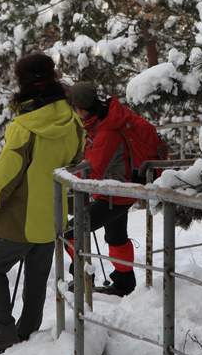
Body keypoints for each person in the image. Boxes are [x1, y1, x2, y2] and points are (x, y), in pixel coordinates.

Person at [0, 52, 84, 355]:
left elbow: (4, 180)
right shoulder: (73, 123)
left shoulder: (24, 127)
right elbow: (76, 164)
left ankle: (2, 335)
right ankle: (28, 331)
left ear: (21, 83)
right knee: (36, 276)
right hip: (53, 219)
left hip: (18, 219)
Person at [65, 81, 159, 297]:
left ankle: (82, 278)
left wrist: (71, 173)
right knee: (116, 237)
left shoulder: (107, 130)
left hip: (115, 194)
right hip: (120, 190)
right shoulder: (107, 117)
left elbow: (94, 169)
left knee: (71, 232)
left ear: (80, 109)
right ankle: (124, 285)